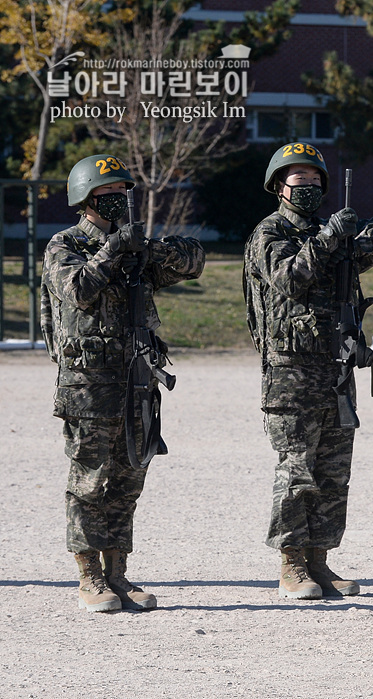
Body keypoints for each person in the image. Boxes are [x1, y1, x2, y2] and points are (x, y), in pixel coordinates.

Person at [41, 154, 205, 612]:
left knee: (128, 479)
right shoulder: (65, 245)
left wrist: (147, 250)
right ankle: (89, 576)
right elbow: (77, 288)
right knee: (89, 482)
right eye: (106, 193)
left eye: (120, 193)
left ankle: (118, 573)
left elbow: (194, 259)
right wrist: (114, 251)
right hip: (88, 386)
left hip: (136, 382)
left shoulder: (135, 248)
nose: (116, 200)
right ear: (85, 197)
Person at [243, 142, 373, 600]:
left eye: (314, 180)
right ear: (278, 186)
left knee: (333, 472)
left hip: (335, 371)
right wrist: (332, 238)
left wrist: (358, 237)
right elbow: (290, 277)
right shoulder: (269, 235)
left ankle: (320, 559)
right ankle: (292, 564)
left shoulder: (335, 236)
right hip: (290, 375)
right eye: (298, 180)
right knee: (297, 470)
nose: (308, 187)